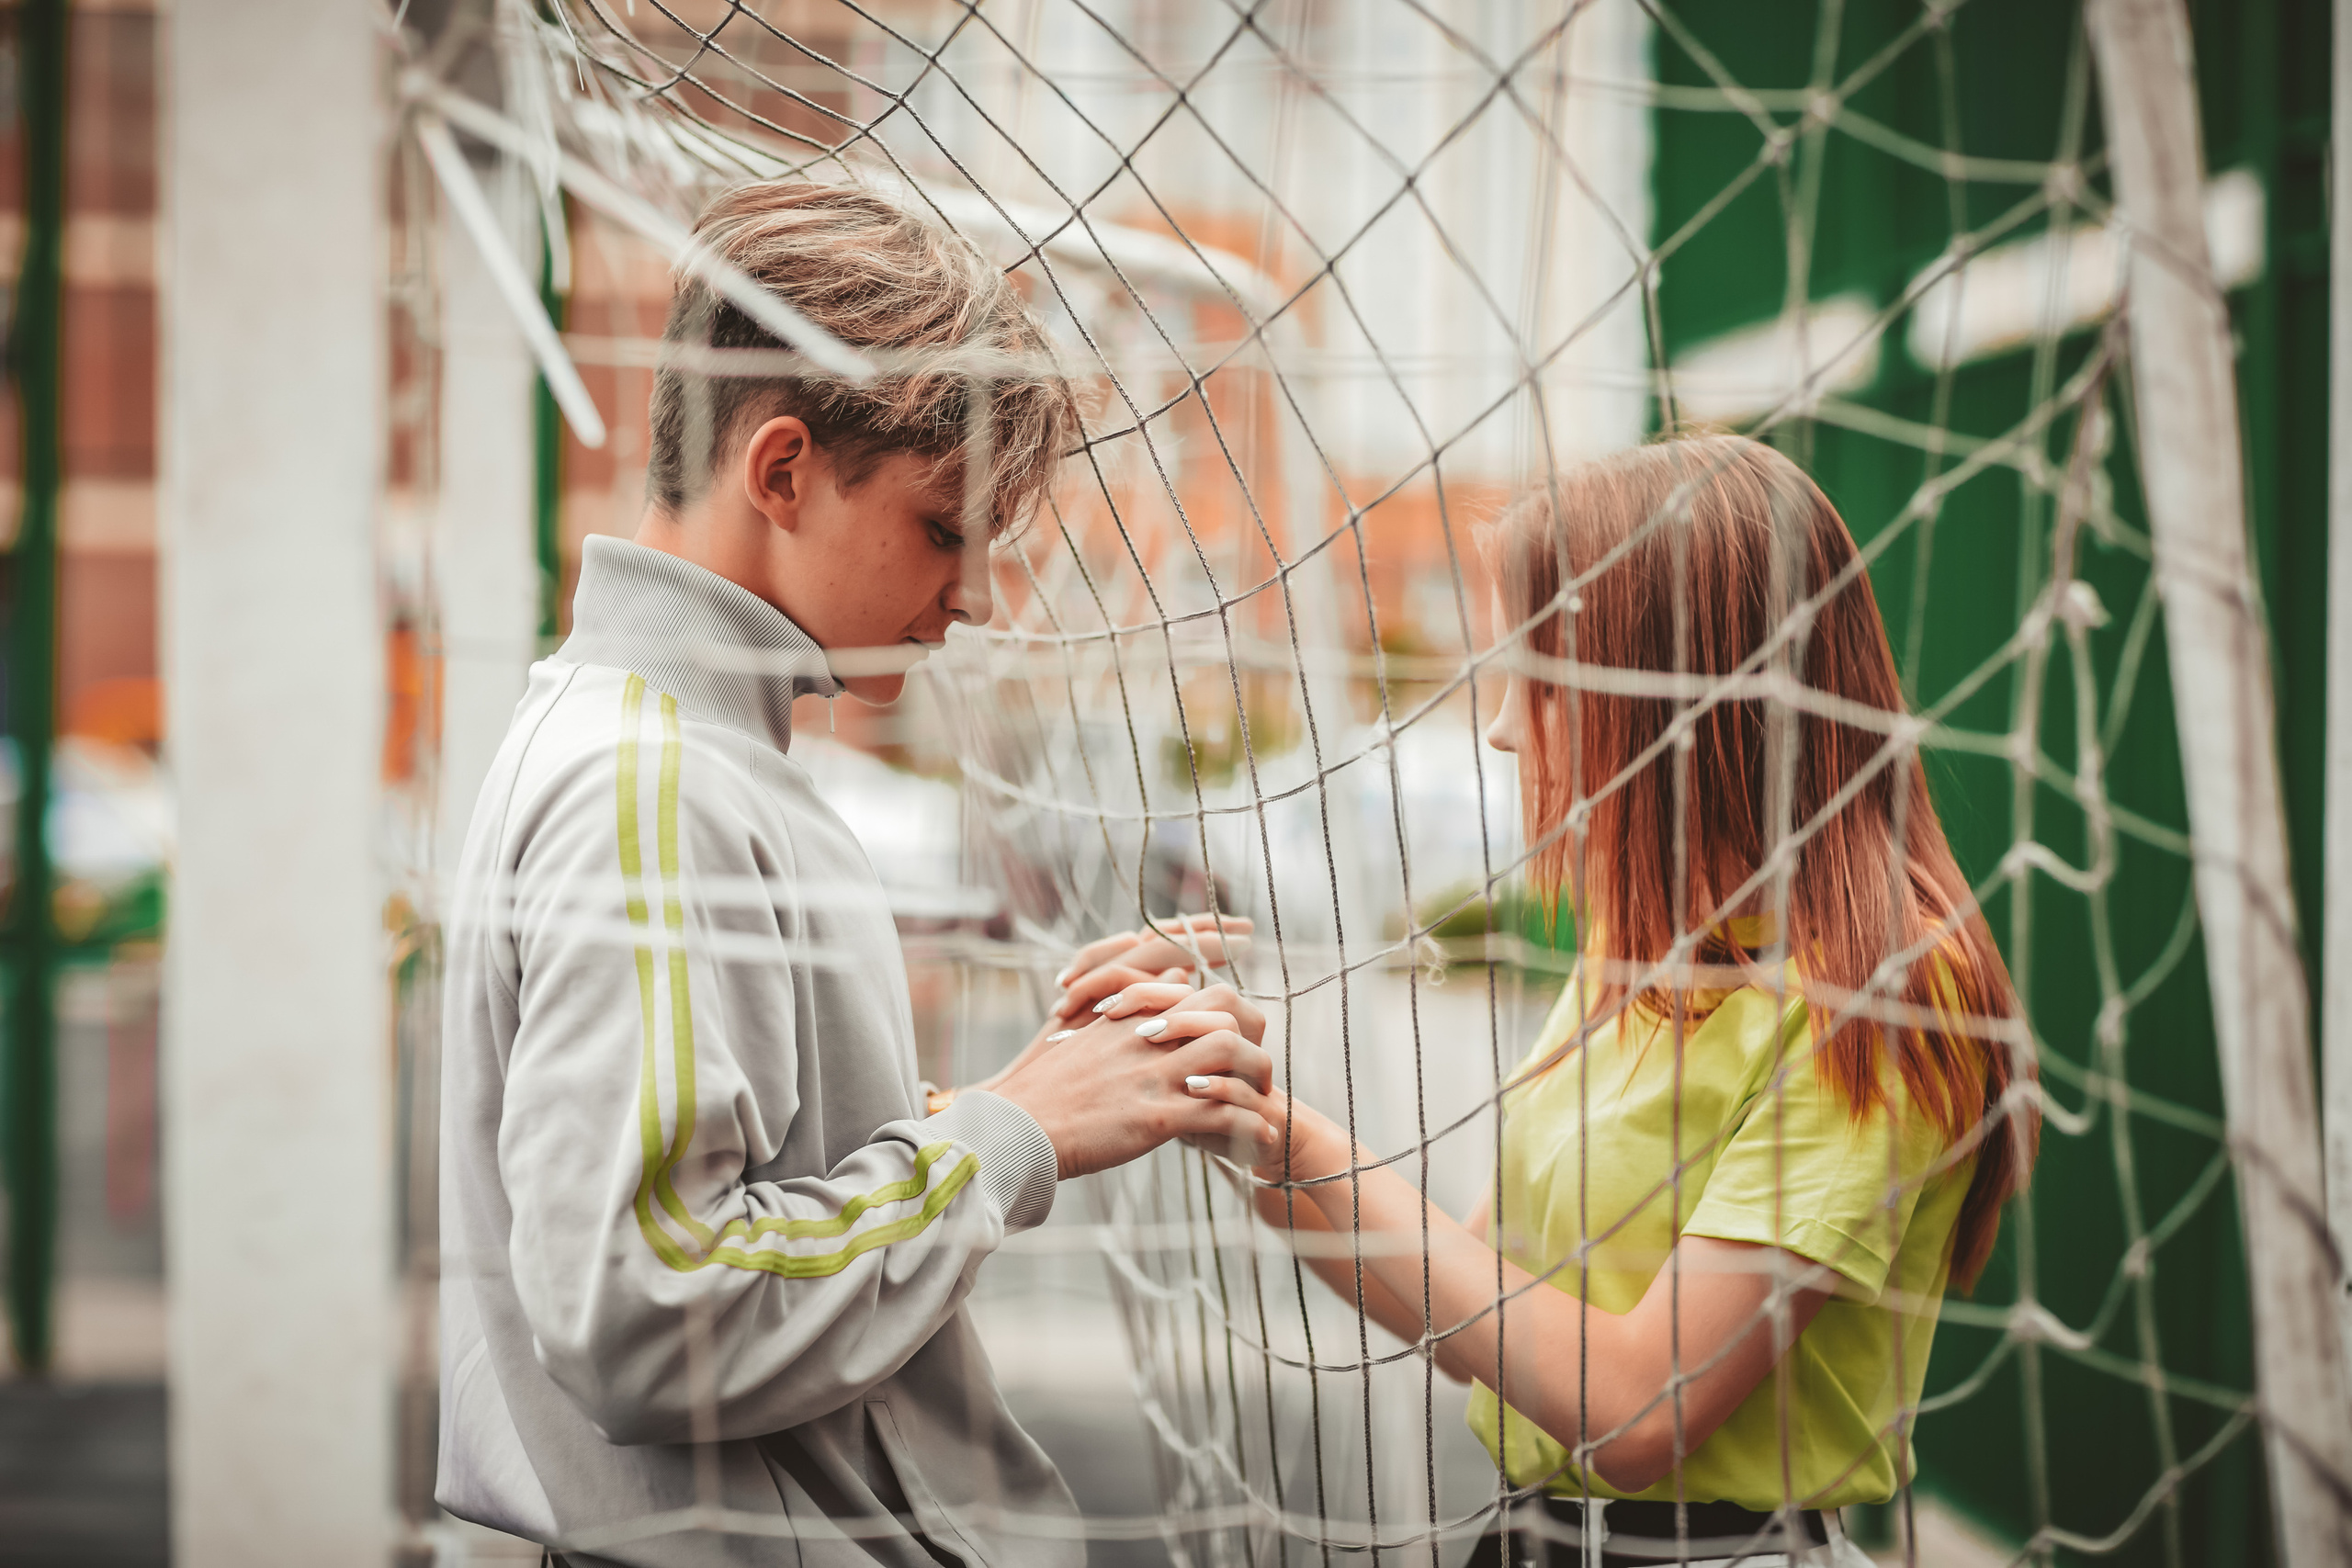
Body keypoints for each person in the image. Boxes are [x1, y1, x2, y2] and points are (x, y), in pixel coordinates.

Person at [435, 181, 1279, 1568]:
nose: (977, 593)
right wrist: (1010, 1139)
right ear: (780, 470)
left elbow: (735, 1174)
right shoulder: (651, 786)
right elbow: (648, 1306)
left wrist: (1027, 1085)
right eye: (946, 527)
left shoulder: (688, 751)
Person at [1113, 434, 2041, 1566]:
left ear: (1683, 692)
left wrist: (1301, 1141)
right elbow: (1476, 1318)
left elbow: (1642, 1410)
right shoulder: (1644, 952)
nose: (1502, 727)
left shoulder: (1887, 996)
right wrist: (1231, 1105)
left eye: (1538, 681)